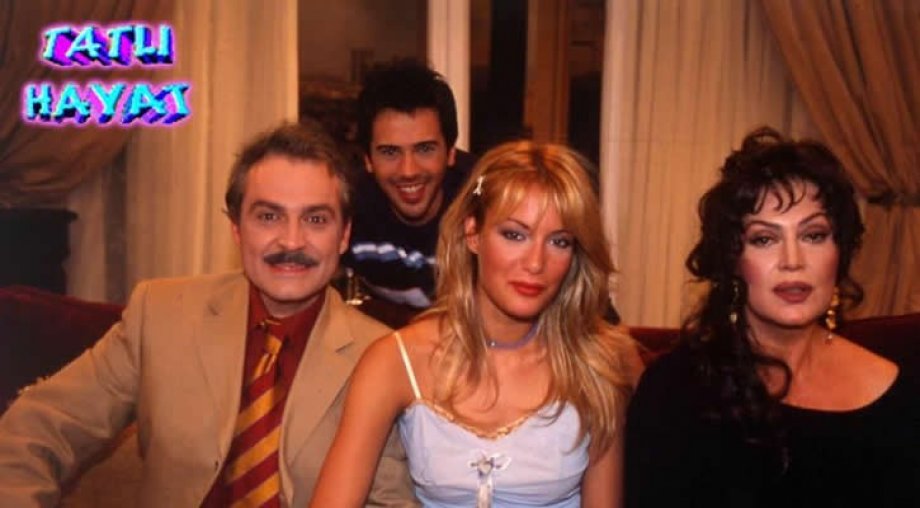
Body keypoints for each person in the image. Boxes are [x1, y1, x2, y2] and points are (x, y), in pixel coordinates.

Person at [0, 122, 416, 507]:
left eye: (316, 219)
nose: (292, 241)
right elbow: (36, 428)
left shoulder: (384, 358)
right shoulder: (161, 314)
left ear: (344, 235)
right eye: (269, 216)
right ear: (236, 228)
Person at [310, 140, 641, 507]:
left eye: (559, 241)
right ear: (473, 233)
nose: (535, 263)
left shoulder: (596, 364)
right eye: (514, 235)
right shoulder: (395, 361)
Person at [624, 127, 920, 507]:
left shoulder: (901, 395)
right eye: (764, 239)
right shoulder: (674, 391)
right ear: (732, 260)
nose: (792, 261)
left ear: (840, 253)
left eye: (814, 235)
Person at [344, 59, 475, 310]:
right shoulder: (348, 208)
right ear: (368, 159)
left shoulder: (484, 202)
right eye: (390, 152)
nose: (408, 171)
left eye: (425, 149)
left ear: (450, 152)